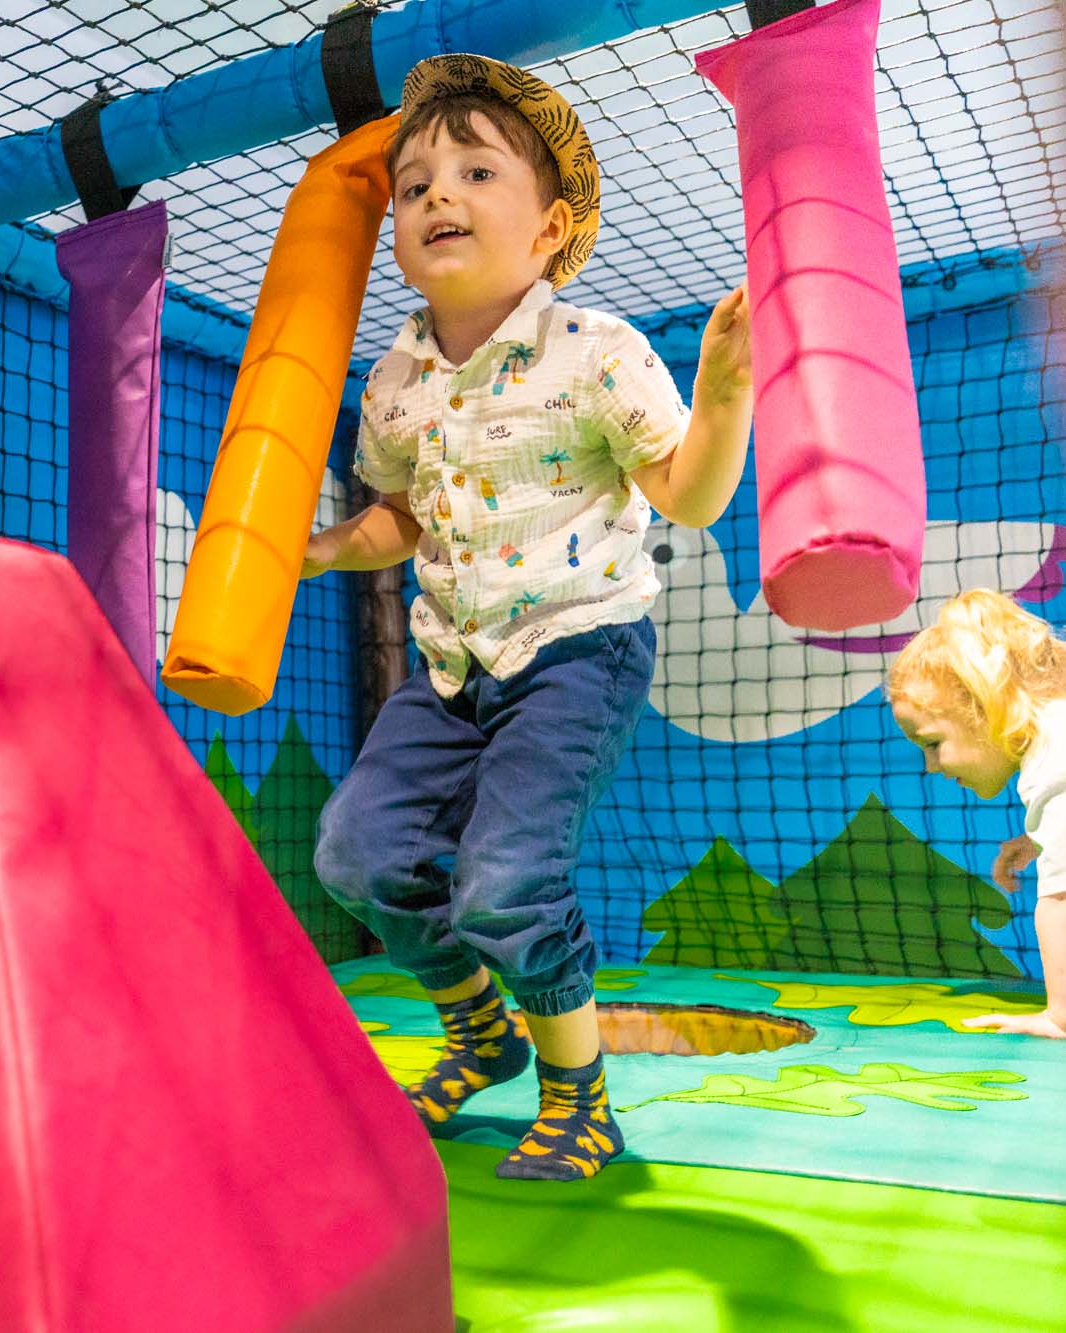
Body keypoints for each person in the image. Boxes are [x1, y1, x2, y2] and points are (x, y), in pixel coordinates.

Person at [303, 54, 753, 1180]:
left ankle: (579, 1100)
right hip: (451, 666)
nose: (437, 197)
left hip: (576, 652)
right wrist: (320, 549)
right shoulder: (394, 381)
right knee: (358, 854)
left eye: (473, 173)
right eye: (414, 186)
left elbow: (687, 495)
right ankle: (480, 1032)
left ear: (549, 230)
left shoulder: (595, 353)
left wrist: (723, 395)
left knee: (505, 884)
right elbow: (400, 519)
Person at [887, 588, 1066, 1039]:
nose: (931, 767)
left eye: (932, 743)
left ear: (985, 706)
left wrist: (1060, 1016)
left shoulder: (1060, 755)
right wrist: (1040, 840)